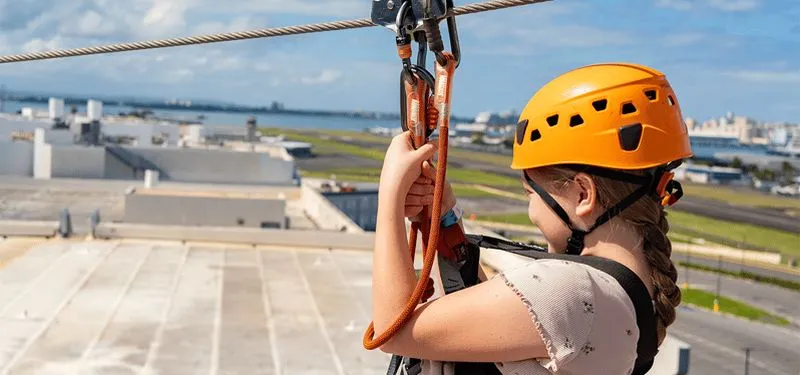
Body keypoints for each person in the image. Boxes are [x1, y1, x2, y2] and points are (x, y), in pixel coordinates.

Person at [371, 62, 692, 374]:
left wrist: (390, 191)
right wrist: (444, 216)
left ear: (583, 194)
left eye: (531, 193)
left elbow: (394, 331)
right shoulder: (633, 289)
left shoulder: (572, 290)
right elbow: (489, 324)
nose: (531, 211)